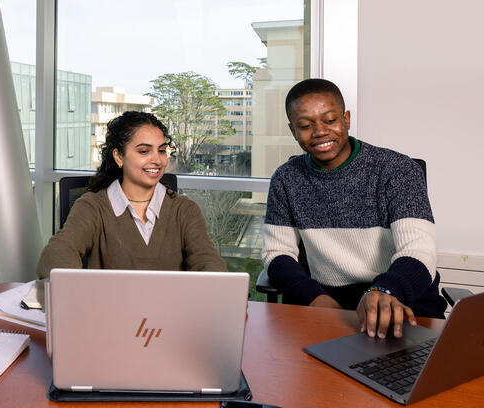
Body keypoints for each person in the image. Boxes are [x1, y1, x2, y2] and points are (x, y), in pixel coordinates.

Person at [262, 78, 446, 340]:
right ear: (293, 131)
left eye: (330, 120)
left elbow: (419, 251)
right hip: (330, 307)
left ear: (346, 119)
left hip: (403, 302)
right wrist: (314, 298)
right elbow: (277, 253)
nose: (320, 132)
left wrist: (384, 291)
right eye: (305, 126)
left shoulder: (398, 170)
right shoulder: (286, 179)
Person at [37, 111, 225, 278]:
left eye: (161, 150)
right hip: (109, 307)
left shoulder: (185, 210)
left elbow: (208, 261)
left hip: (171, 307)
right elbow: (57, 254)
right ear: (119, 157)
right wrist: (77, 291)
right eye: (144, 151)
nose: (157, 160)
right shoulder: (93, 207)